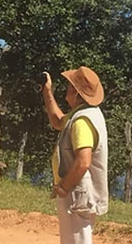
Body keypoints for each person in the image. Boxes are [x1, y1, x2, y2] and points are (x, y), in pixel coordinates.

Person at [41, 66, 109, 244]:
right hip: (79, 191)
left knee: (76, 241)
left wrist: (63, 187)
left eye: (71, 86)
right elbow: (57, 121)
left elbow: (83, 162)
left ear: (77, 93)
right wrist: (47, 92)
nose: (68, 88)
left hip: (76, 191)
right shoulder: (87, 114)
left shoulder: (81, 122)